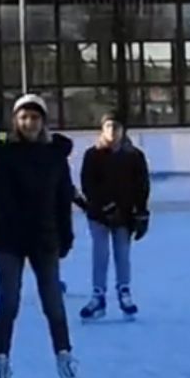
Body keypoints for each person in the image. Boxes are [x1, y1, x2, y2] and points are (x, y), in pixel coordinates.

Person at [0, 94, 80, 378]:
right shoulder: (4, 152)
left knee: (54, 303)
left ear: (43, 122)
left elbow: (63, 198)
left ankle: (64, 357)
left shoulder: (54, 156)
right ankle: (1, 362)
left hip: (44, 236)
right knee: (9, 302)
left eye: (35, 118)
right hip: (9, 238)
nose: (29, 123)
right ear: (16, 121)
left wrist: (65, 235)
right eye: (24, 118)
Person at [77, 115, 150, 320]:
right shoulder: (93, 155)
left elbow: (142, 185)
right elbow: (88, 184)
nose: (112, 131)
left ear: (123, 130)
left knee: (122, 254)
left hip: (125, 215)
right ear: (102, 129)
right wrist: (105, 206)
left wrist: (142, 212)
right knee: (100, 254)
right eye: (108, 126)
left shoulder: (134, 156)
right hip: (99, 215)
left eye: (116, 126)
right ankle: (98, 296)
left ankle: (124, 291)